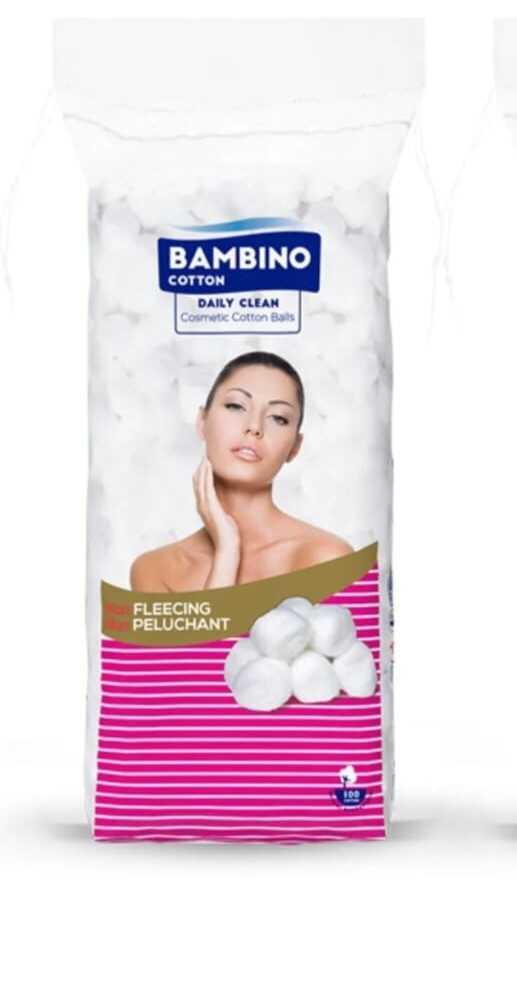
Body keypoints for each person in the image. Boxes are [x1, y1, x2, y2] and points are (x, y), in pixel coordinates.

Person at [130, 351, 353, 592]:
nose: (254, 427)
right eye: (236, 406)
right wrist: (227, 551)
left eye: (278, 418)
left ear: (294, 447)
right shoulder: (155, 570)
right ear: (202, 422)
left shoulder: (328, 559)